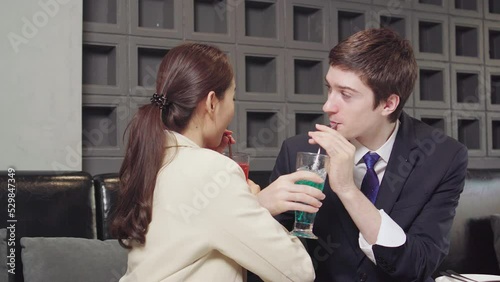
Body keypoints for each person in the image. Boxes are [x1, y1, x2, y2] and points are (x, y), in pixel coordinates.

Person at [257, 28, 468, 281]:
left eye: (346, 95)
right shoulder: (299, 151)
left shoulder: (442, 157)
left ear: (388, 104)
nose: (328, 106)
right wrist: (259, 208)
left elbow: (418, 264)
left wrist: (348, 190)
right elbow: (266, 258)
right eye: (329, 89)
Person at [110, 43, 319, 282]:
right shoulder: (211, 171)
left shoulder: (152, 158)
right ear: (212, 102)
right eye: (233, 96)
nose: (233, 107)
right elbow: (298, 272)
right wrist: (258, 207)